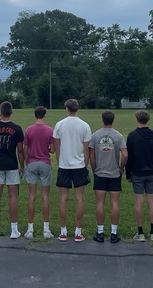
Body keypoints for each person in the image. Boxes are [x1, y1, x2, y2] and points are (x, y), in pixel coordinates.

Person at [53, 98, 92, 242]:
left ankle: (63, 231)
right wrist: (85, 164)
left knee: (63, 198)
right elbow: (87, 149)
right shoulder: (85, 126)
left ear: (67, 109)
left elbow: (57, 146)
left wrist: (60, 160)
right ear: (77, 108)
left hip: (64, 165)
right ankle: (78, 232)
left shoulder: (59, 124)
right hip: (79, 165)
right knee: (79, 198)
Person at [0, 101, 25, 239]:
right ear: (12, 112)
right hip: (12, 165)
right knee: (13, 197)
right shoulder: (17, 128)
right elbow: (20, 150)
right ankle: (14, 230)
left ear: (0, 112)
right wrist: (22, 166)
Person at [89, 110, 127, 244]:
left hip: (100, 173)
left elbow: (92, 156)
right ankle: (113, 232)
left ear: (102, 120)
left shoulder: (95, 135)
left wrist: (94, 169)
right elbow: (125, 154)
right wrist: (121, 167)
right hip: (114, 173)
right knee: (114, 203)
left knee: (100, 203)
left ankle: (100, 232)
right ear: (113, 120)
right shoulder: (118, 136)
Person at [126, 109, 153, 242]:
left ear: (137, 119)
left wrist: (128, 173)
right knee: (151, 201)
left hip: (137, 172)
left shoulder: (132, 136)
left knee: (139, 200)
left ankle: (140, 232)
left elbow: (128, 157)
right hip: (151, 171)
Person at [24, 106, 55, 239]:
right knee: (45, 196)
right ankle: (46, 229)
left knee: (32, 196)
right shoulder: (49, 130)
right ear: (44, 115)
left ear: (35, 115)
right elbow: (52, 150)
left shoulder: (29, 129)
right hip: (45, 163)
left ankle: (30, 229)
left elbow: (25, 148)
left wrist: (27, 162)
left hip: (32, 162)